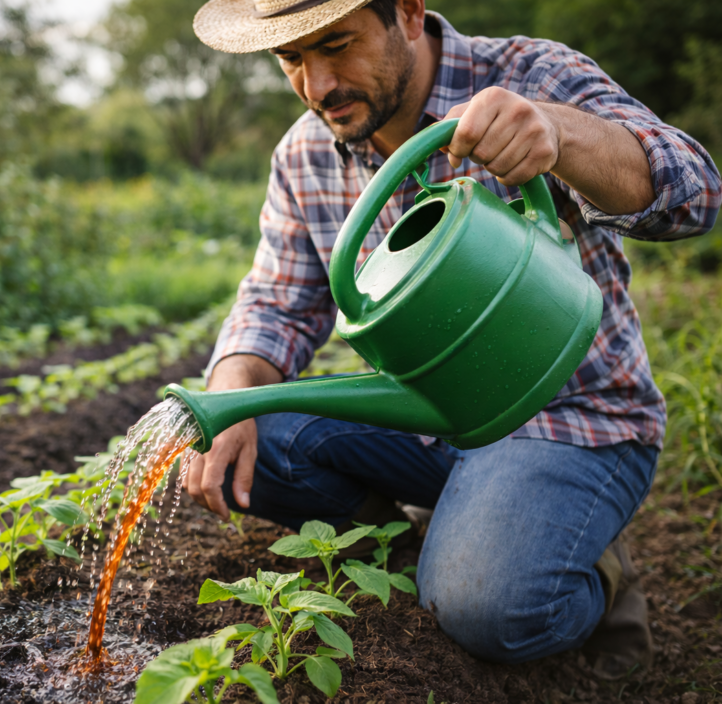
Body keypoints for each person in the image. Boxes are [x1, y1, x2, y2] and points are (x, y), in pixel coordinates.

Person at [184, 0, 720, 678]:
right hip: (429, 421)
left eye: (337, 45)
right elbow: (277, 307)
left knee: (485, 612)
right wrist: (229, 397)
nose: (318, 86)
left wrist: (560, 133)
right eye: (292, 60)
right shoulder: (303, 154)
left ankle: (593, 575)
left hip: (567, 420)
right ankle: (422, 563)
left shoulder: (531, 75)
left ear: (407, 13)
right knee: (253, 439)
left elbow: (697, 192)